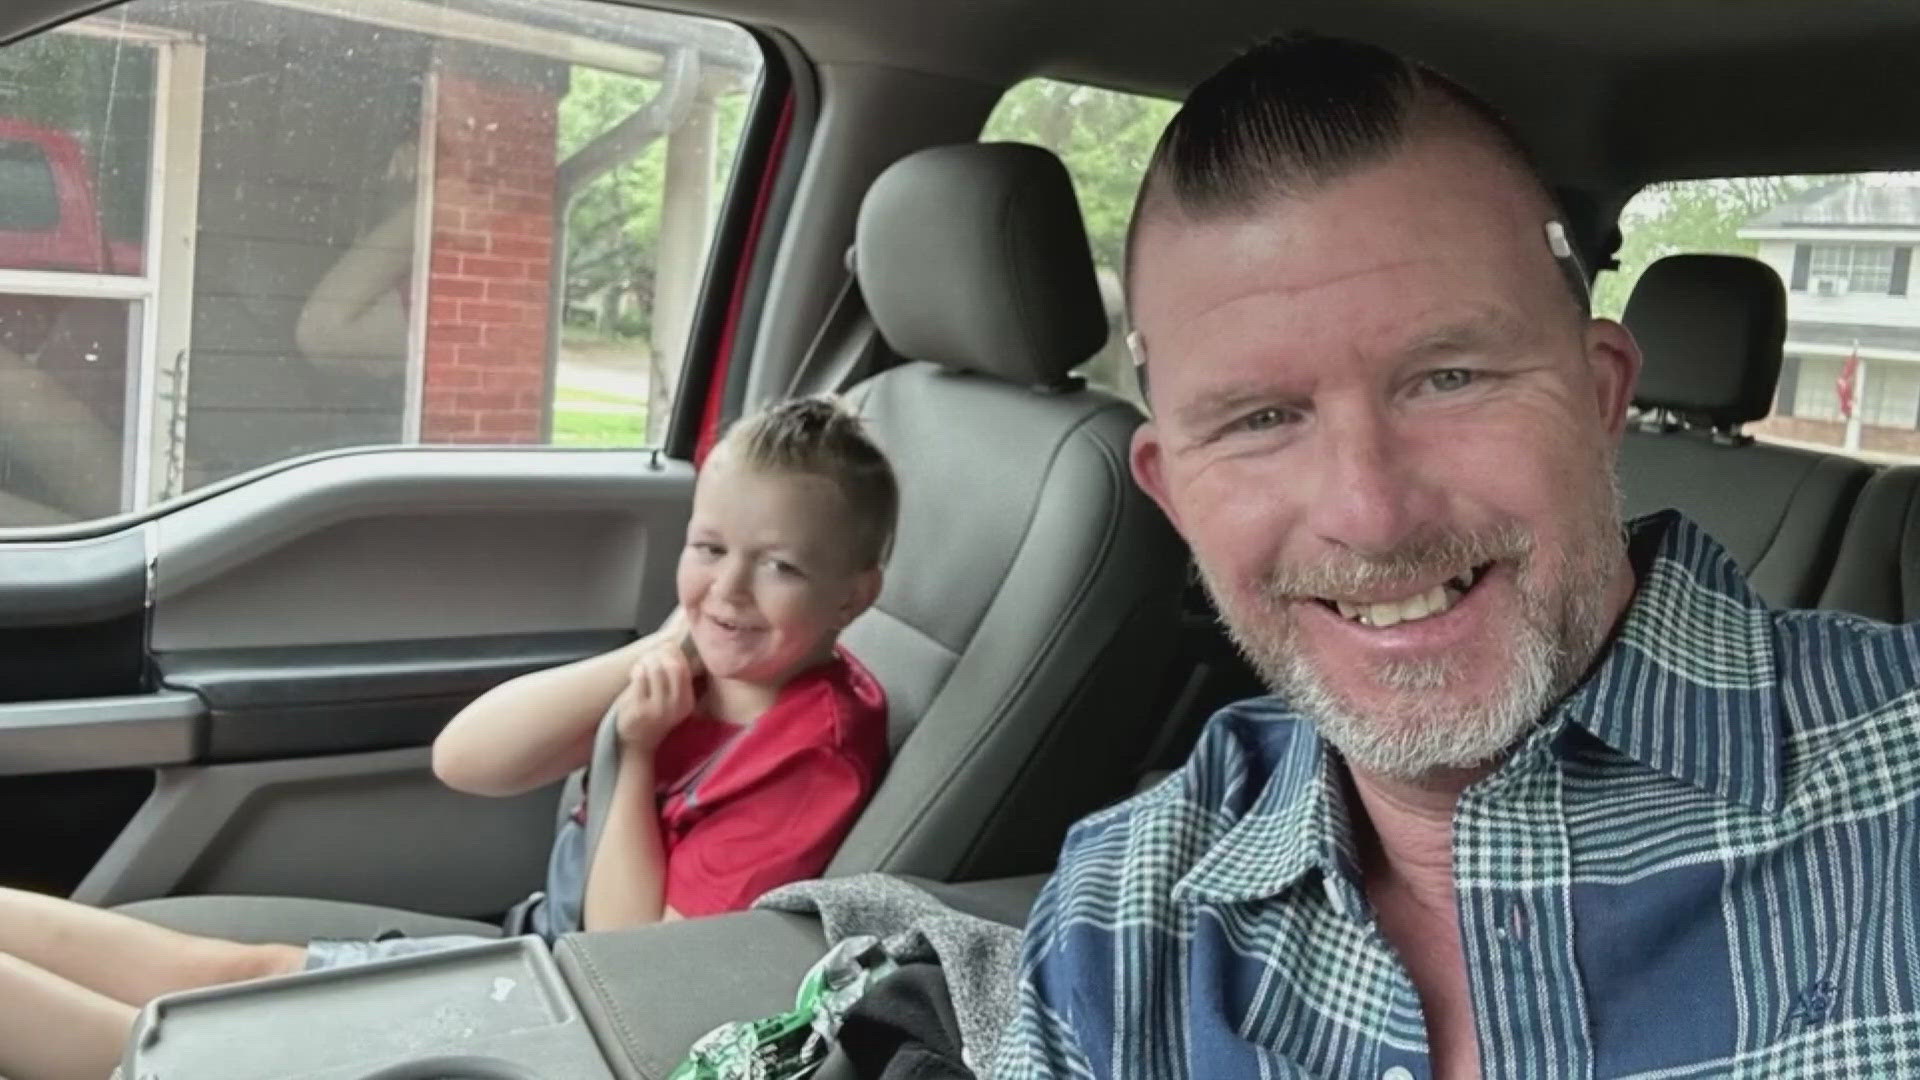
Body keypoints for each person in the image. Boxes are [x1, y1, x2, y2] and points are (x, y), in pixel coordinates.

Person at [995, 34, 1920, 1080]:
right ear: (1171, 492)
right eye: (1259, 419)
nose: (1371, 513)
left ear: (1603, 394)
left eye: (1450, 378)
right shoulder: (1114, 922)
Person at [0, 396, 898, 1080]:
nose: (729, 591)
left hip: (578, 1007)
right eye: (708, 549)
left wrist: (630, 753)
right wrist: (659, 650)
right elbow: (466, 760)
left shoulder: (805, 757)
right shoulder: (702, 658)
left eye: (778, 566)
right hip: (537, 953)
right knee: (239, 970)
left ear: (857, 594)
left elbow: (638, 965)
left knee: (228, 1028)